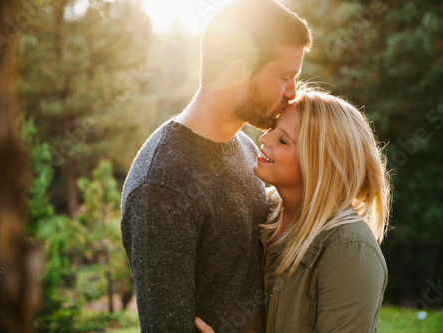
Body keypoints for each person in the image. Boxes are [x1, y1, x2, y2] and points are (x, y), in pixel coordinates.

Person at [120, 0, 312, 332]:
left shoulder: (247, 150)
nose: (293, 92)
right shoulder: (162, 184)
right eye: (285, 77)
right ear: (237, 71)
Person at [196, 88, 391, 332]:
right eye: (273, 128)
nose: (264, 139)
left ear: (318, 163)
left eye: (282, 140)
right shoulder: (260, 211)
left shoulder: (349, 250)